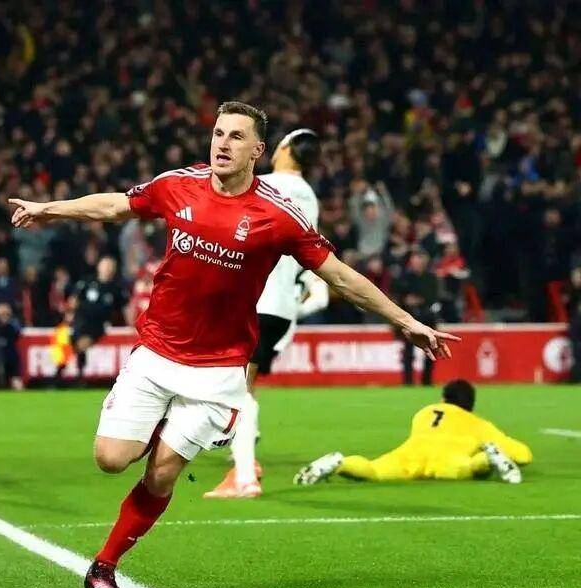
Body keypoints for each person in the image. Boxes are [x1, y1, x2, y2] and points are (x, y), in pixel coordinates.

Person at [9, 101, 459, 588]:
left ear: (257, 150)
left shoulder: (277, 215)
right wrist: (50, 209)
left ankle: (104, 566)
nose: (222, 144)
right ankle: (163, 426)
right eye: (218, 134)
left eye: (236, 136)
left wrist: (406, 321)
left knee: (162, 474)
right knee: (112, 459)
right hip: (157, 353)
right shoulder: (178, 185)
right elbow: (116, 205)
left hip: (218, 370)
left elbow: (340, 276)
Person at [204, 128, 328, 499]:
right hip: (281, 305)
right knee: (241, 384)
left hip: (256, 301)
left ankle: (245, 475)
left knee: (237, 388)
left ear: (285, 148)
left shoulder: (268, 186)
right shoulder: (309, 197)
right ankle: (243, 453)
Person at [294, 379, 532, 486]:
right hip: (448, 458)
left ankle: (340, 463)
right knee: (471, 467)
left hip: (411, 454)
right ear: (470, 405)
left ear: (443, 399)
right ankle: (489, 457)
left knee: (374, 470)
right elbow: (523, 455)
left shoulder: (425, 412)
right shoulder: (477, 423)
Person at [60, 255, 126, 381]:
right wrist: (69, 314)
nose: (107, 268)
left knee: (82, 343)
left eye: (110, 266)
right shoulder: (87, 282)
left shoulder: (116, 288)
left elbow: (124, 307)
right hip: (80, 320)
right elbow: (74, 299)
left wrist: (130, 324)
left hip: (98, 324)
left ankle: (75, 374)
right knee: (67, 341)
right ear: (99, 266)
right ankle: (72, 372)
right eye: (105, 265)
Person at [394, 249, 440, 385]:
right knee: (408, 351)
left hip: (427, 318)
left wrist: (419, 300)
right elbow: (397, 296)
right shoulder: (404, 278)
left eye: (421, 260)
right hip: (410, 319)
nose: (419, 263)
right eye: (416, 260)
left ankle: (427, 380)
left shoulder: (431, 278)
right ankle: (408, 381)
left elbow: (434, 297)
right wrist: (406, 300)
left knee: (431, 349)